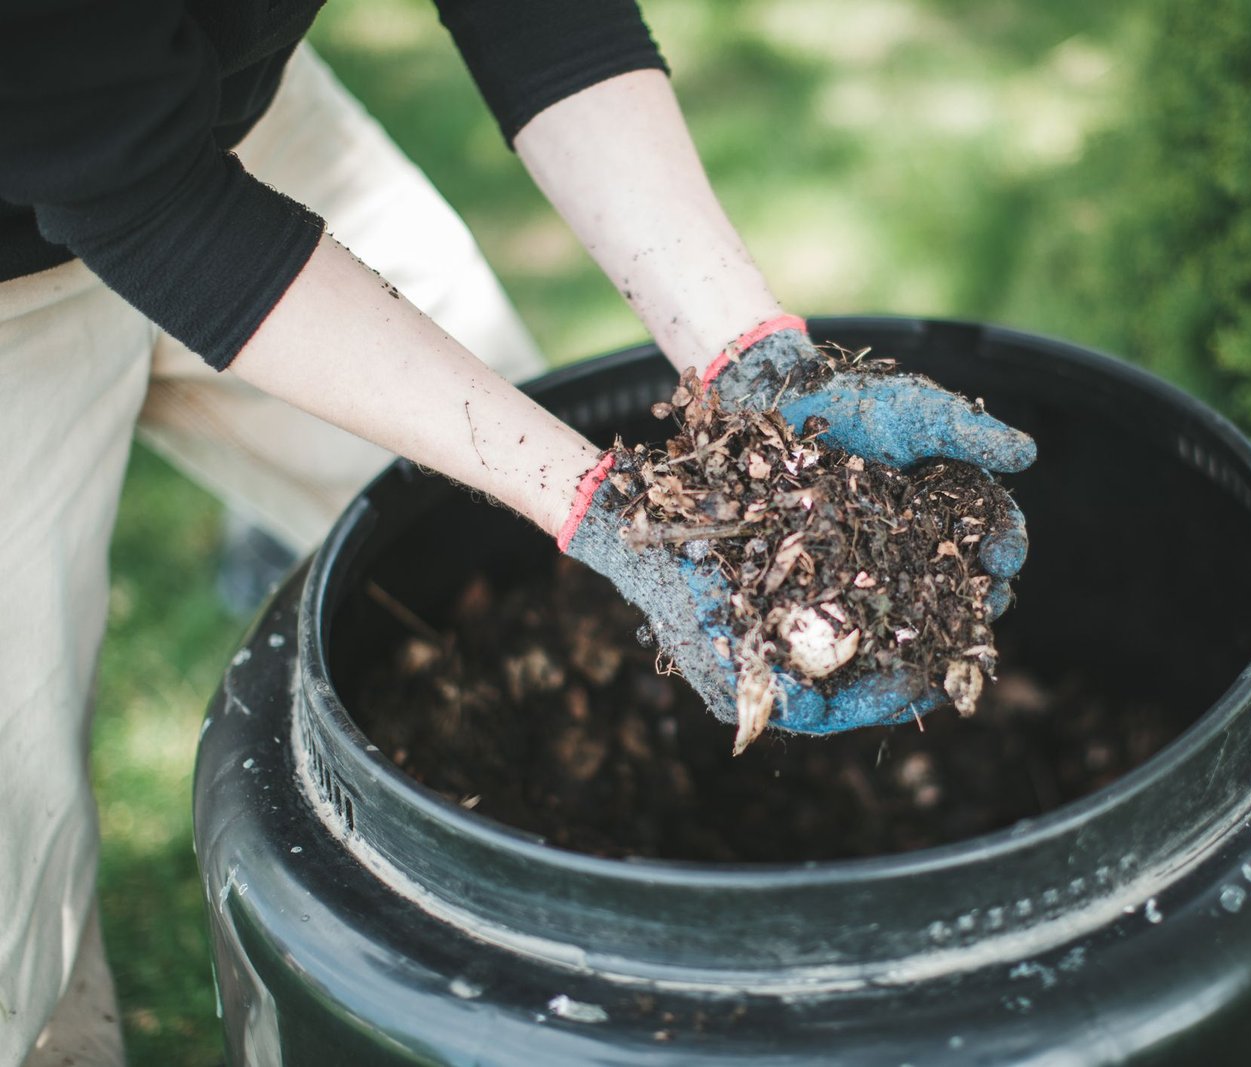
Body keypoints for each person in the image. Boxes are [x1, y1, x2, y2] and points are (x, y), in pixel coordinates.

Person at [0, 2, 1034, 1062]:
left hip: (214, 118)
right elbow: (139, 195)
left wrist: (748, 354)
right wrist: (599, 504)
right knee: (12, 909)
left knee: (504, 592)